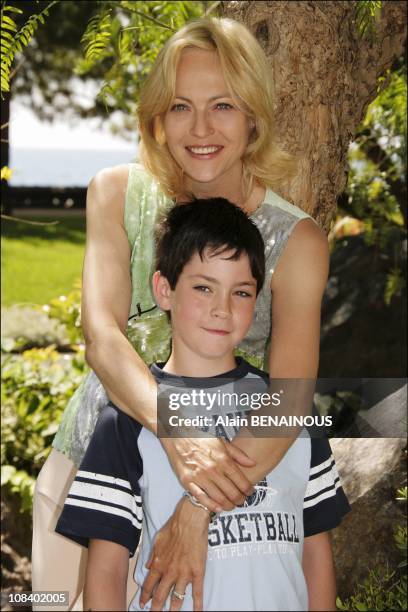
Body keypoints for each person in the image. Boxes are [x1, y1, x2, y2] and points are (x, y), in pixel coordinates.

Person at [32, 16, 330, 612]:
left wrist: (197, 505)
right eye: (179, 107)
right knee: (53, 602)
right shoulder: (114, 193)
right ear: (157, 120)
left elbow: (291, 400)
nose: (200, 129)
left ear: (253, 117)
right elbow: (103, 338)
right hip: (90, 464)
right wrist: (180, 431)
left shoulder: (296, 241)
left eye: (222, 105)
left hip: (229, 474)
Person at [55, 198, 350, 611]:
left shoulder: (292, 413)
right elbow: (106, 572)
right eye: (203, 287)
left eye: (241, 292)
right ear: (165, 290)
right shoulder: (126, 420)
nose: (222, 309)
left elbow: (316, 548)